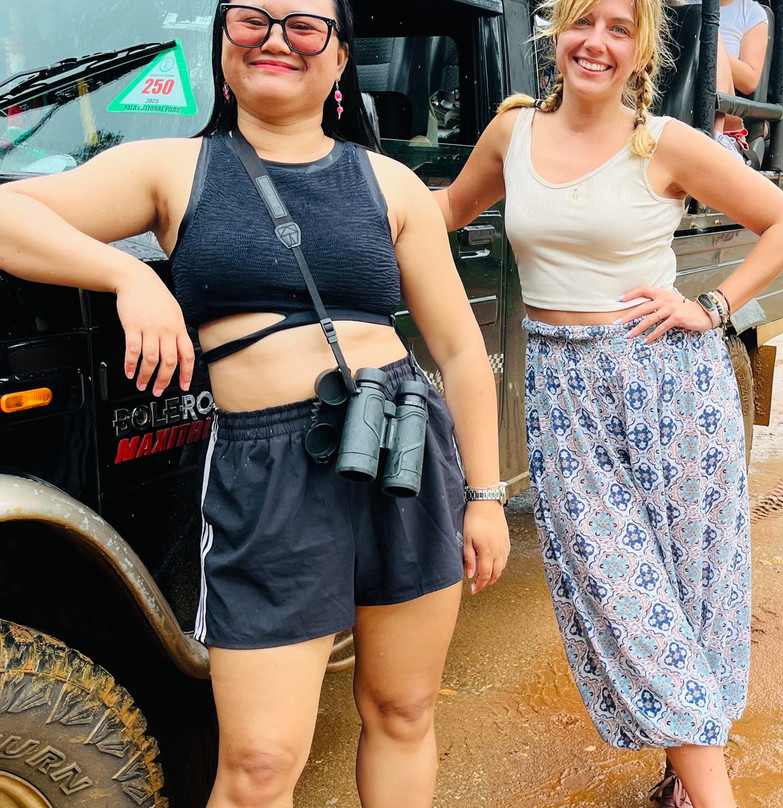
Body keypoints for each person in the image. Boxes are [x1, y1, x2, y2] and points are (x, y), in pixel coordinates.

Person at [0, 1, 510, 807]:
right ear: (222, 47)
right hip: (267, 473)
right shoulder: (172, 169)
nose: (276, 40)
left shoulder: (390, 184)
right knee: (259, 765)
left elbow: (458, 352)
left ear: (340, 59)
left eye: (304, 26)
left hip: (401, 455)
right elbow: (8, 214)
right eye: (251, 20)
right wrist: (127, 275)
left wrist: (484, 497)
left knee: (404, 711)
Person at [434, 0, 783, 804]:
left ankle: (690, 784)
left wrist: (713, 307)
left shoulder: (667, 141)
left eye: (618, 29)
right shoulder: (511, 134)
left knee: (690, 590)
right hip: (562, 390)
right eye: (583, 23)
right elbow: (444, 213)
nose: (596, 43)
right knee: (623, 594)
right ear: (556, 32)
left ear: (641, 50)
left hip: (670, 381)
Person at [714, 0, 770, 159]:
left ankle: (716, 137)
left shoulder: (751, 13)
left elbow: (749, 81)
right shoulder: (684, 3)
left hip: (727, 108)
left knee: (712, 36)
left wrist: (711, 48)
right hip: (679, 89)